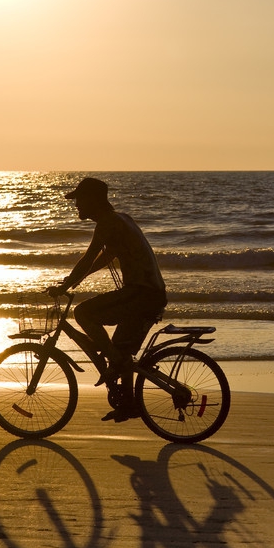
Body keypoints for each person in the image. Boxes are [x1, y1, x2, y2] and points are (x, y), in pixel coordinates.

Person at [48, 177, 167, 422]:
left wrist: (65, 286)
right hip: (152, 294)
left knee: (83, 313)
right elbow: (105, 257)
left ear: (93, 200)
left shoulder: (107, 224)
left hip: (141, 293)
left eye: (79, 200)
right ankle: (129, 404)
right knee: (122, 348)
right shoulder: (122, 219)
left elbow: (88, 256)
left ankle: (112, 360)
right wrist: (76, 280)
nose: (77, 205)